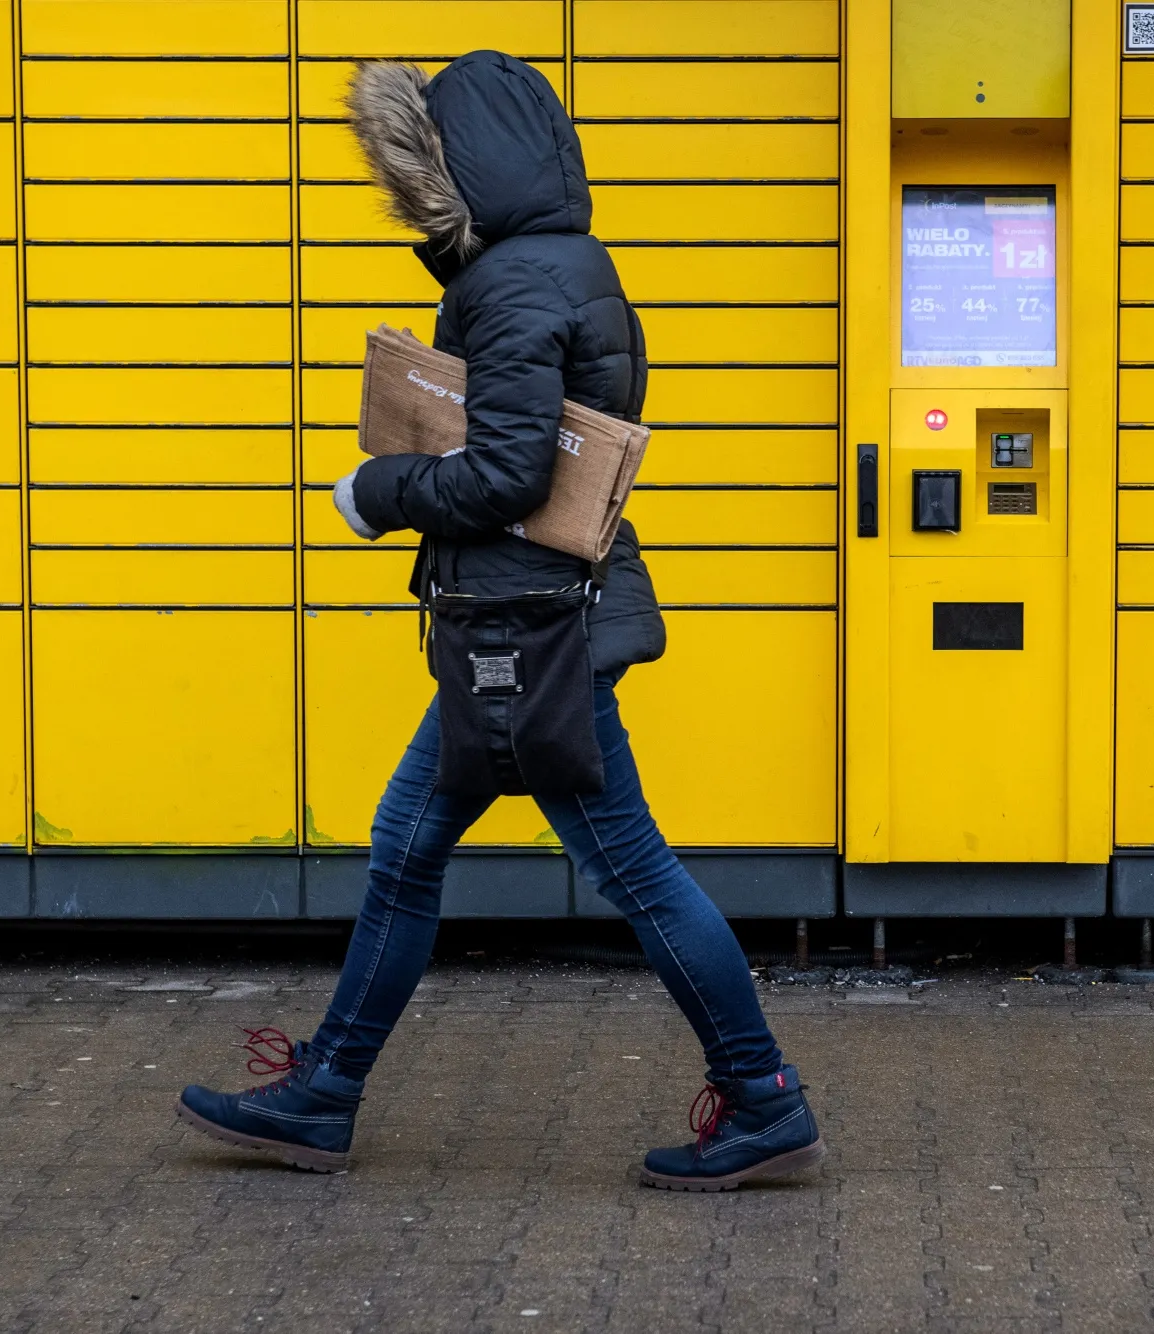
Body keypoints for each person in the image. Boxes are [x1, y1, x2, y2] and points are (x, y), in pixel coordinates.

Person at [173, 51, 822, 1192]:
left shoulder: (516, 287)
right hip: (529, 623)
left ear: (457, 169)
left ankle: (762, 1092)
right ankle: (324, 1091)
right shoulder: (558, 265)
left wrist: (378, 491)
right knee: (407, 847)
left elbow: (511, 473)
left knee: (629, 868)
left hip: (527, 639)